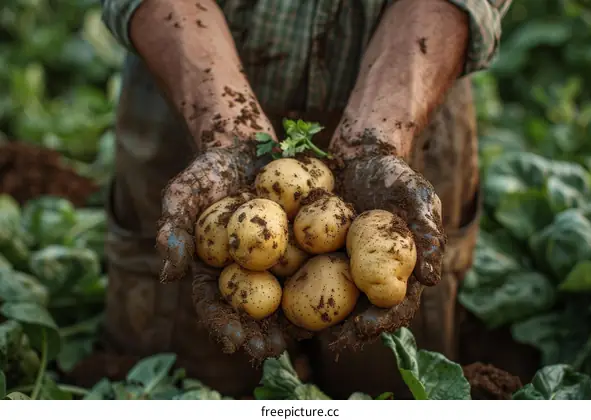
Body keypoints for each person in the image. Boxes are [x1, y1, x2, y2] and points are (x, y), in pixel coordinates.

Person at [99, 0, 511, 399]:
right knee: (188, 369)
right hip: (188, 80)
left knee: (388, 379)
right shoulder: (265, 228)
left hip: (409, 92)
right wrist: (225, 132)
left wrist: (377, 142)